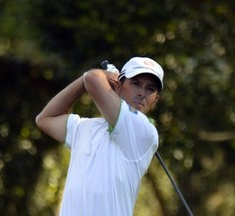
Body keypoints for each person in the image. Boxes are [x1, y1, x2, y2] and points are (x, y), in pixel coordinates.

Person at [35, 56, 164, 216]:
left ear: (155, 99)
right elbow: (45, 119)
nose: (141, 93)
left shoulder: (145, 132)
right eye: (135, 83)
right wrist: (84, 81)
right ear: (118, 85)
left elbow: (92, 79)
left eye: (150, 89)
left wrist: (95, 76)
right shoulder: (84, 127)